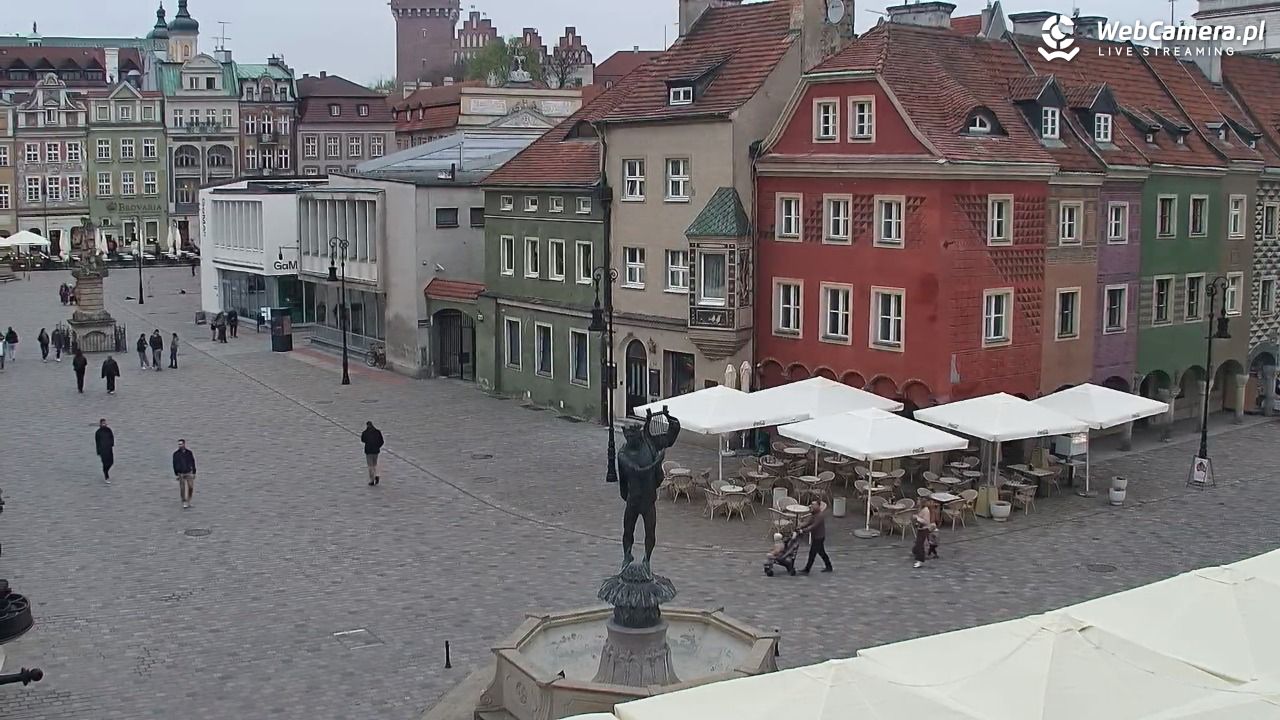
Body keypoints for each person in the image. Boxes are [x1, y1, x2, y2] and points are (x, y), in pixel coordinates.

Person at [797, 500, 833, 574]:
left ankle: (807, 569)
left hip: (819, 537)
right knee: (822, 553)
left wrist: (803, 531)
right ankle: (829, 566)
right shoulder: (813, 514)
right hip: (816, 537)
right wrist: (800, 526)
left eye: (814, 505)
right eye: (811, 504)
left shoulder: (820, 516)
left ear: (818, 506)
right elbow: (808, 522)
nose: (811, 506)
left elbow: (813, 526)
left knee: (812, 554)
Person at [172, 439, 197, 509]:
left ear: (184, 444)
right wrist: (176, 473)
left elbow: (193, 461)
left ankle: (189, 500)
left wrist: (194, 472)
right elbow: (174, 464)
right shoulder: (176, 454)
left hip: (189, 472)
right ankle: (184, 501)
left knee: (191, 487)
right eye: (179, 444)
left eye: (181, 444)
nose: (180, 445)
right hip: (181, 473)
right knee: (182, 488)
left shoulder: (189, 453)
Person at [912, 502, 937, 569]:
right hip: (920, 529)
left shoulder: (925, 510)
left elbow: (926, 522)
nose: (917, 501)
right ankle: (917, 553)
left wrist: (917, 518)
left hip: (924, 529)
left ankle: (920, 561)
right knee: (918, 543)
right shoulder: (920, 509)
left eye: (919, 500)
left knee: (920, 544)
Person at [361, 421, 385, 485]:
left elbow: (362, 440)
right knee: (375, 465)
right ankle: (376, 475)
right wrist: (378, 446)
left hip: (368, 451)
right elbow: (382, 441)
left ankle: (372, 480)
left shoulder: (365, 433)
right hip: (376, 451)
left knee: (370, 466)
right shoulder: (377, 432)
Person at [95, 418, 114, 483]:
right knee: (105, 463)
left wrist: (111, 444)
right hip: (102, 450)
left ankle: (105, 470)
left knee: (111, 462)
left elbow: (112, 437)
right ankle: (106, 476)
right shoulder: (98, 432)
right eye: (103, 423)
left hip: (109, 449)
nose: (104, 424)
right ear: (100, 424)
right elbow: (97, 442)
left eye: (105, 423)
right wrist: (98, 452)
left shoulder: (109, 430)